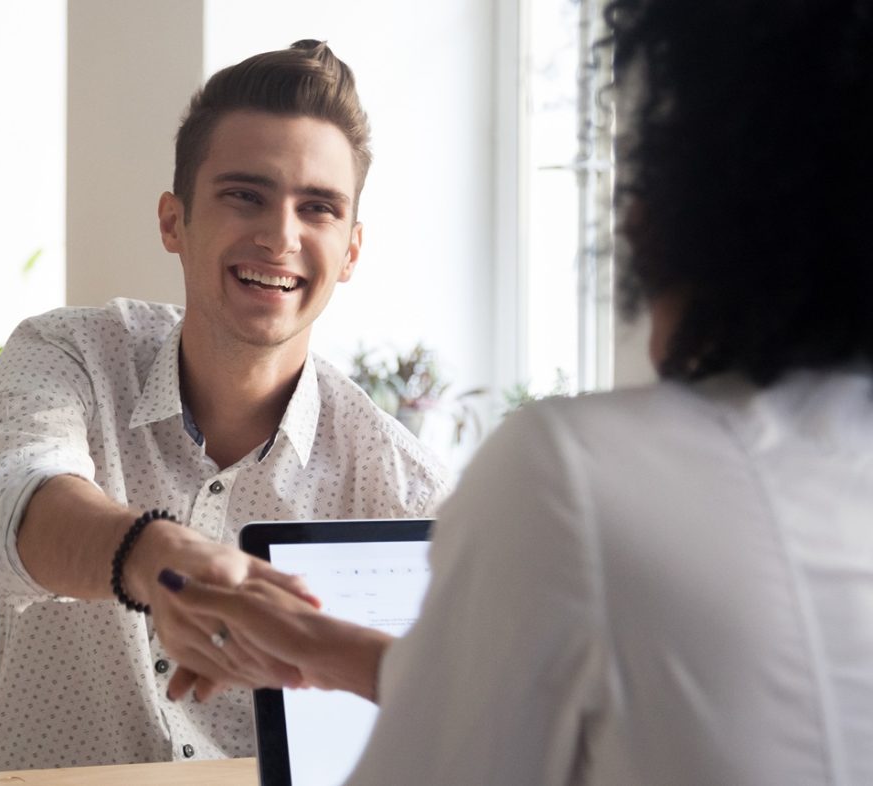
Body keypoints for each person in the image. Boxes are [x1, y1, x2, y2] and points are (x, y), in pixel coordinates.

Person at [158, 2, 873, 783]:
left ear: (666, 214)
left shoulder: (572, 471)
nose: (282, 236)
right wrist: (332, 650)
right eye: (244, 195)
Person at [0, 40, 449, 772]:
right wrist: (156, 557)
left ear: (350, 251)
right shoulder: (68, 354)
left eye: (316, 208)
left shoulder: (403, 483)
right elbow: (19, 510)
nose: (280, 236)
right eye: (245, 195)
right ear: (173, 221)